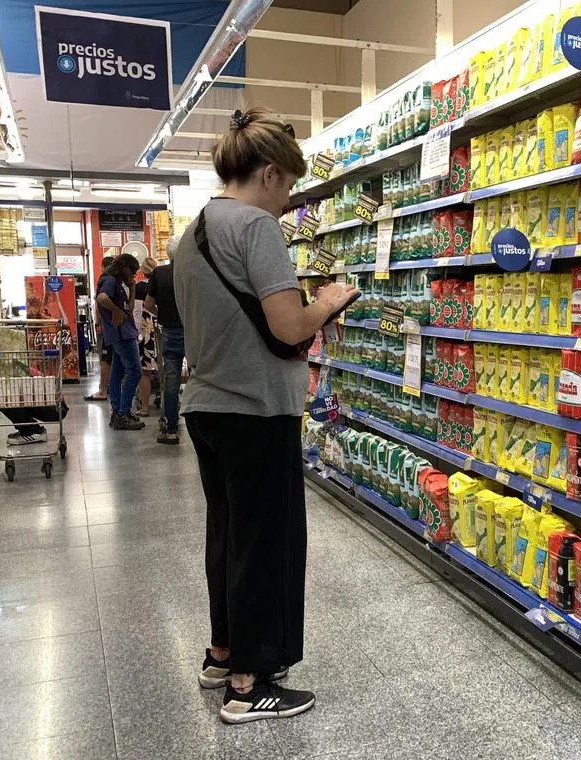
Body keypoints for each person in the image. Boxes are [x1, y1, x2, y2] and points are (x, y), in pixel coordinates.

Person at [174, 106, 358, 724]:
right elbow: (287, 326)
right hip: (256, 409)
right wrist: (329, 302)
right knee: (262, 543)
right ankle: (250, 686)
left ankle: (223, 653)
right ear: (271, 174)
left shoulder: (193, 230)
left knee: (227, 535)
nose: (287, 202)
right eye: (289, 187)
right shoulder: (256, 228)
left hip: (208, 406)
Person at [95, 253, 144, 431]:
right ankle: (123, 412)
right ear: (124, 268)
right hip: (122, 334)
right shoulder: (109, 280)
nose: (134, 275)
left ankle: (118, 412)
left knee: (117, 373)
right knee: (135, 372)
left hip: (122, 333)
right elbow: (101, 298)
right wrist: (115, 310)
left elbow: (129, 309)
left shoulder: (118, 283)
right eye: (133, 271)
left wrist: (132, 288)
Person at [144, 234, 184, 444]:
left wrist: (163, 311)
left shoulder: (159, 273)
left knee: (171, 381)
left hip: (170, 332)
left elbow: (148, 304)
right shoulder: (193, 272)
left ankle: (171, 430)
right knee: (199, 378)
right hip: (195, 332)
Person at [85, 254, 116, 401]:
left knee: (105, 358)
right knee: (115, 358)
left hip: (107, 328)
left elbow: (100, 302)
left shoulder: (105, 280)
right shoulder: (117, 281)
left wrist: (98, 323)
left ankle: (103, 389)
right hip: (117, 328)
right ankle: (111, 386)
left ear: (103, 267)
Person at [132, 257, 159, 417]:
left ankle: (145, 407)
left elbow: (135, 312)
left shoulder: (138, 287)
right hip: (161, 330)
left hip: (144, 332)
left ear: (142, 270)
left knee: (144, 371)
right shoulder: (161, 285)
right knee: (166, 369)